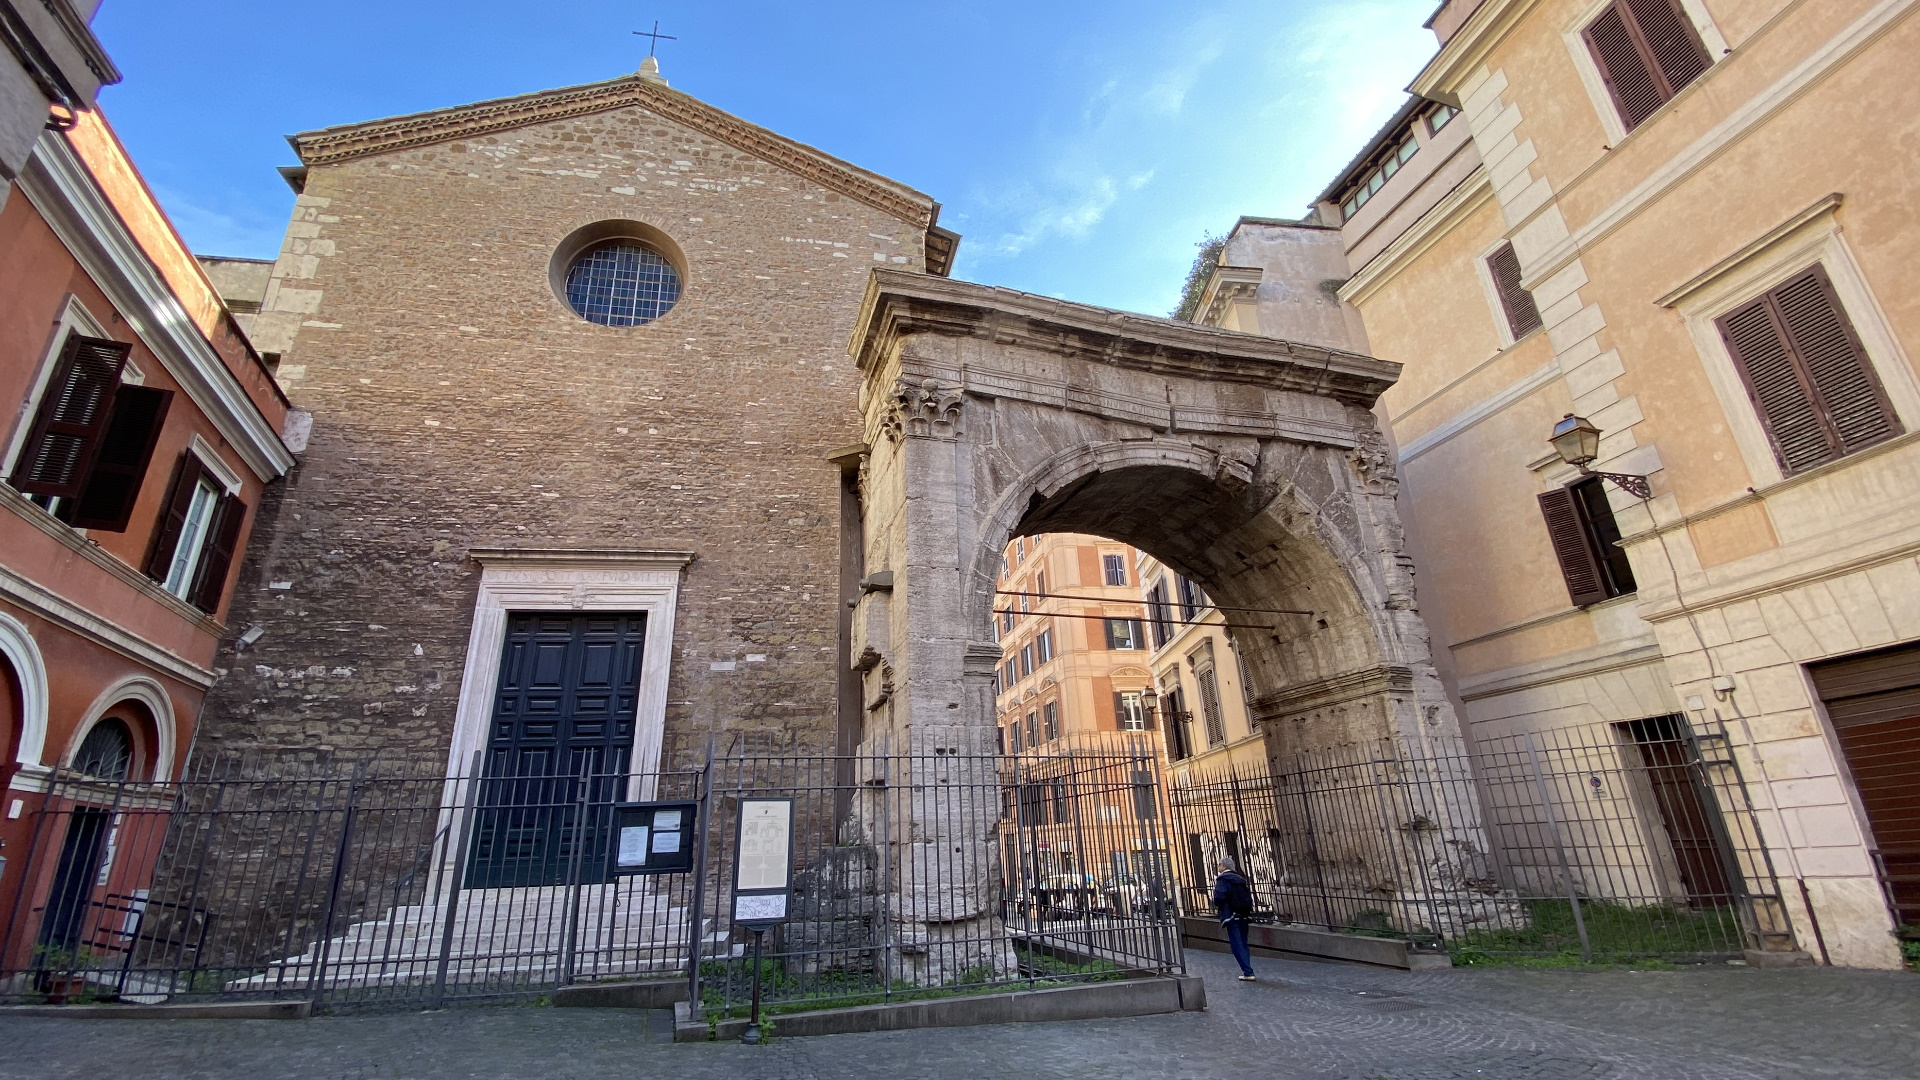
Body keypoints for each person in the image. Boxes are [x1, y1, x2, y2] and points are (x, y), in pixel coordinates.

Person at [1212, 857, 1256, 981]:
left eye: (1219, 864)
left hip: (1230, 915)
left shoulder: (1223, 879)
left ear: (1225, 866)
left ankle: (1248, 971)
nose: (1218, 866)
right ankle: (1248, 970)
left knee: (1236, 944)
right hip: (1243, 914)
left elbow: (1219, 897)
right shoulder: (1240, 879)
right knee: (1243, 943)